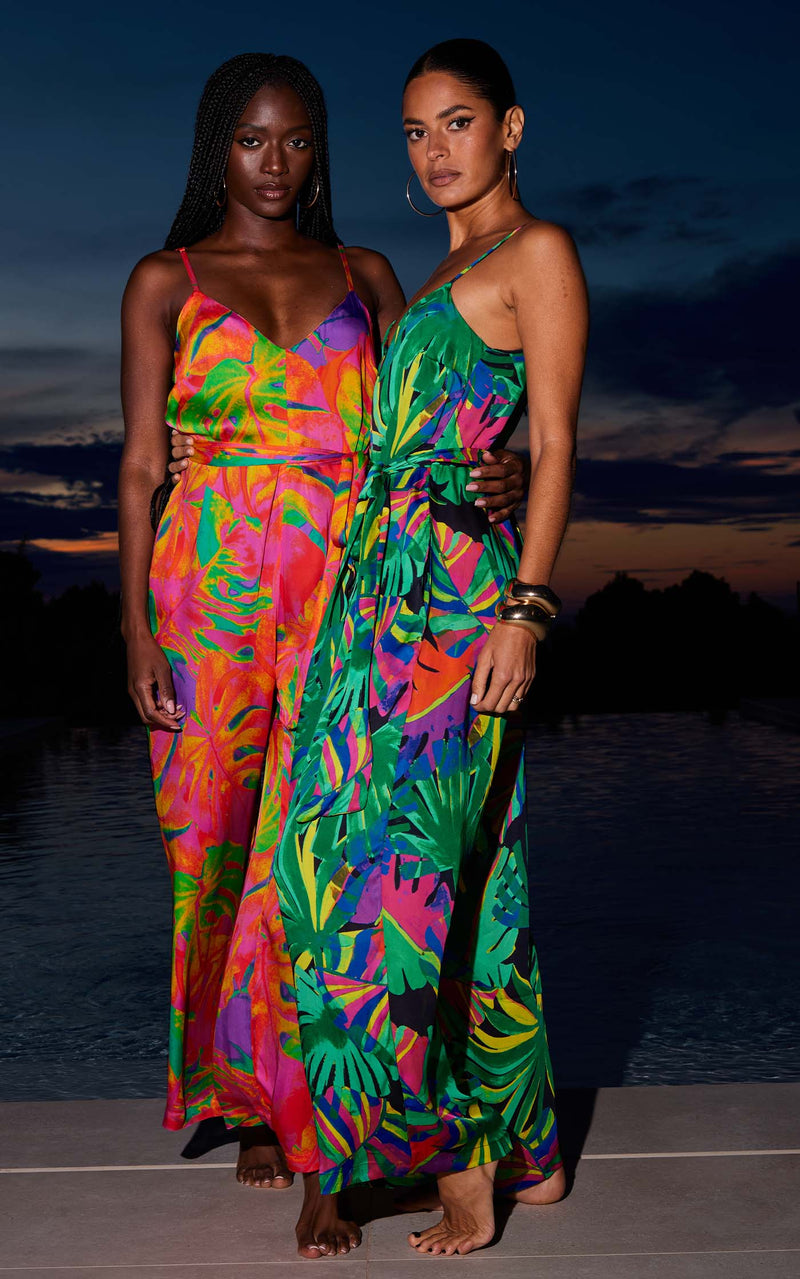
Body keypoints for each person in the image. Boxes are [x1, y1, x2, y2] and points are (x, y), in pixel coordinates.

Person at [118, 49, 526, 1248]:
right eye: (253, 140)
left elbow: (435, 407)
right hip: (205, 600)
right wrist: (135, 623)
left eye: (298, 141)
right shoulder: (165, 279)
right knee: (210, 851)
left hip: (351, 594)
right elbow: (142, 465)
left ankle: (317, 1136)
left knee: (326, 867)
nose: (277, 163)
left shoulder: (367, 272)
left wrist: (497, 470)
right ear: (216, 148)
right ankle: (244, 1093)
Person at [270, 37, 588, 1258]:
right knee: (445, 876)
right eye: (412, 132)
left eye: (455, 123)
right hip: (371, 597)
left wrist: (526, 606)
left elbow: (552, 445)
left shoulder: (538, 253)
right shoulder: (440, 266)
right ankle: (524, 1141)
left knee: (390, 885)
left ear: (509, 127)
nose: (433, 151)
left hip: (456, 609)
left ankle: (460, 1169)